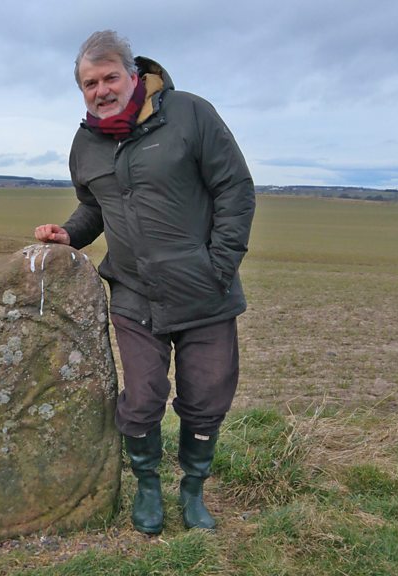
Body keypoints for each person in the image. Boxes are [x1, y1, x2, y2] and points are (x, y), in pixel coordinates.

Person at [34, 31, 254, 535]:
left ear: (134, 75)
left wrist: (219, 266)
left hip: (205, 291)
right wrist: (69, 234)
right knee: (142, 397)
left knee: (207, 398)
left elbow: (235, 189)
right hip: (135, 293)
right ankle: (148, 488)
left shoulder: (190, 115)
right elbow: (95, 206)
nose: (101, 90)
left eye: (110, 77)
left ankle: (193, 491)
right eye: (90, 84)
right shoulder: (86, 143)